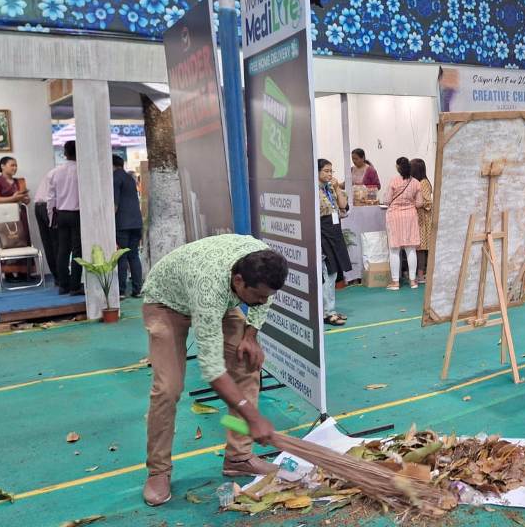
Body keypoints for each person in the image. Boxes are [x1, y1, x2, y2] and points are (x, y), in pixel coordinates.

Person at [140, 235, 287, 507]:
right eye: (257, 295)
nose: (262, 300)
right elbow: (212, 369)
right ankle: (158, 470)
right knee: (167, 388)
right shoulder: (209, 289)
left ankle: (239, 458)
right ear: (239, 281)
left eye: (267, 295)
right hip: (166, 303)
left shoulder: (263, 263)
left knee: (246, 362)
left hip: (218, 298)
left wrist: (250, 336)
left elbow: (263, 299)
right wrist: (253, 416)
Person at [46, 140, 83, 295]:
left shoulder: (54, 172)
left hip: (61, 214)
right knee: (77, 251)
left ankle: (63, 285)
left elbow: (50, 199)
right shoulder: (82, 171)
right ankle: (75, 286)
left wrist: (51, 218)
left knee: (63, 250)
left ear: (65, 153)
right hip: (77, 214)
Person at [0, 156, 32, 282]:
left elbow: (26, 200)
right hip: (4, 219)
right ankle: (9, 274)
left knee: (23, 242)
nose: (15, 168)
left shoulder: (20, 182)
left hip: (21, 216)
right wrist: (13, 198)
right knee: (9, 243)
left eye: (16, 165)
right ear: (2, 166)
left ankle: (24, 272)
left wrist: (25, 198)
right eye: (12, 165)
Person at [384, 157, 424, 290]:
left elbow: (387, 200)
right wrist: (409, 204)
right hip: (410, 216)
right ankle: (413, 281)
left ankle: (395, 282)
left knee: (394, 249)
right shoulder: (416, 183)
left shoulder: (393, 181)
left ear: (398, 167)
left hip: (394, 217)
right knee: (411, 249)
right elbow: (419, 203)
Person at [318, 159, 351, 326]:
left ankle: (330, 309)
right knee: (328, 273)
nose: (330, 174)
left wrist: (337, 188)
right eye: (326, 171)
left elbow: (343, 205)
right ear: (317, 172)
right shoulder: (313, 191)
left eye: (331, 171)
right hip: (322, 233)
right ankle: (327, 312)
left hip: (334, 231)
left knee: (333, 272)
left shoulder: (330, 188)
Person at [113, 155, 144, 298]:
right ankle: (137, 289)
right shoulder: (130, 178)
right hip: (136, 222)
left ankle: (121, 291)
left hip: (122, 223)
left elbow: (115, 204)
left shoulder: (115, 178)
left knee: (122, 256)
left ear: (112, 165)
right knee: (134, 255)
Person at [33, 167, 60, 282]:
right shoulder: (69, 172)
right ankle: (62, 277)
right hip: (49, 207)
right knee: (58, 243)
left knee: (48, 243)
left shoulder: (55, 171)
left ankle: (58, 277)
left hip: (39, 206)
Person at [411, 158, 434, 284]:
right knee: (419, 247)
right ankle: (420, 273)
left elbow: (427, 202)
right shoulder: (418, 182)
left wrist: (414, 202)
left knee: (422, 248)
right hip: (419, 219)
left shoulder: (423, 183)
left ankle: (421, 274)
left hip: (423, 220)